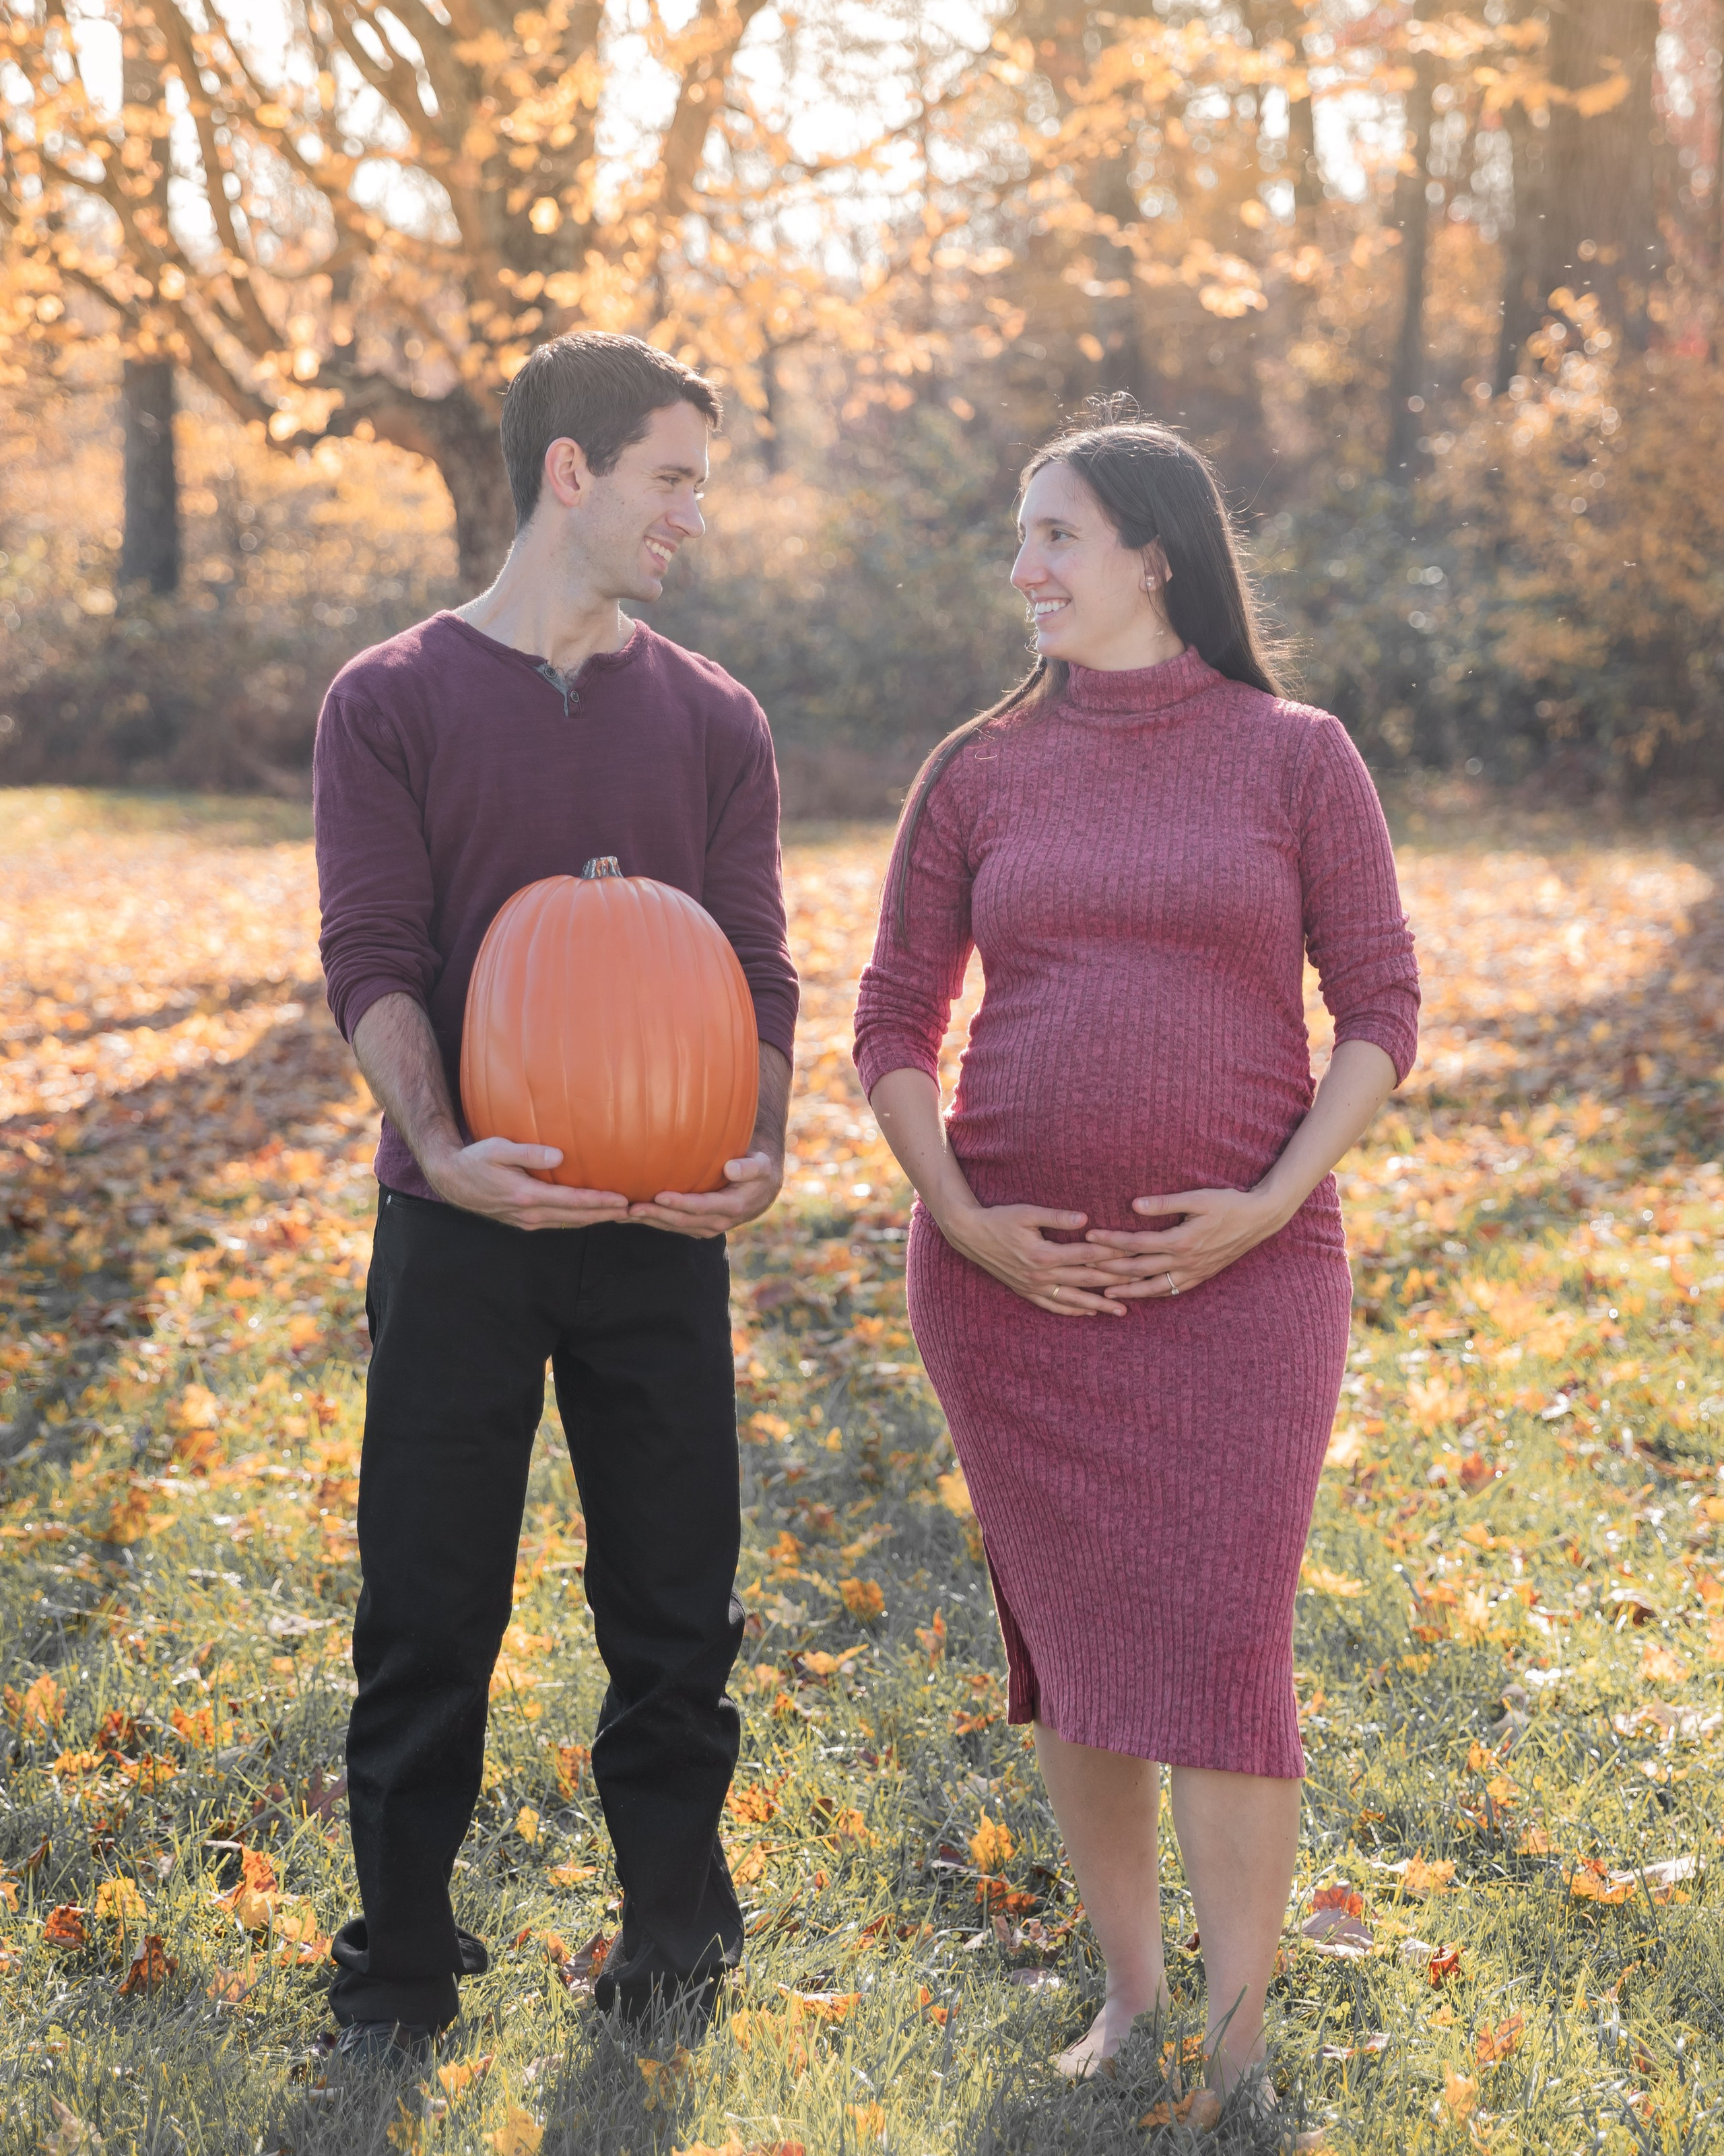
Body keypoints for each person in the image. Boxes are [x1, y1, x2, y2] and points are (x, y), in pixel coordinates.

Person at [853, 411, 1418, 2101]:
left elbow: (1379, 1006)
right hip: (1012, 1295)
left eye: (1056, 536)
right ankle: (1126, 1998)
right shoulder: (975, 767)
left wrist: (1266, 1199)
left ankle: (1241, 2045)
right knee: (1081, 1645)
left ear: (1152, 554)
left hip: (1245, 1281)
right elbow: (892, 1016)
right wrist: (960, 1215)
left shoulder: (1296, 754)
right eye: (1018, 537)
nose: (1022, 568)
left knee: (1226, 1637)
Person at [312, 331, 798, 2060]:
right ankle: (401, 1961)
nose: (690, 512)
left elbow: (755, 958)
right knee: (428, 1602)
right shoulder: (393, 697)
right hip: (460, 1229)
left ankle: (673, 1936)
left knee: (675, 1607)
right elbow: (368, 950)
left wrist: (762, 1139)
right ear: (572, 472)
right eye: (670, 475)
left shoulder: (714, 716)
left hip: (661, 1229)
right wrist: (440, 1147)